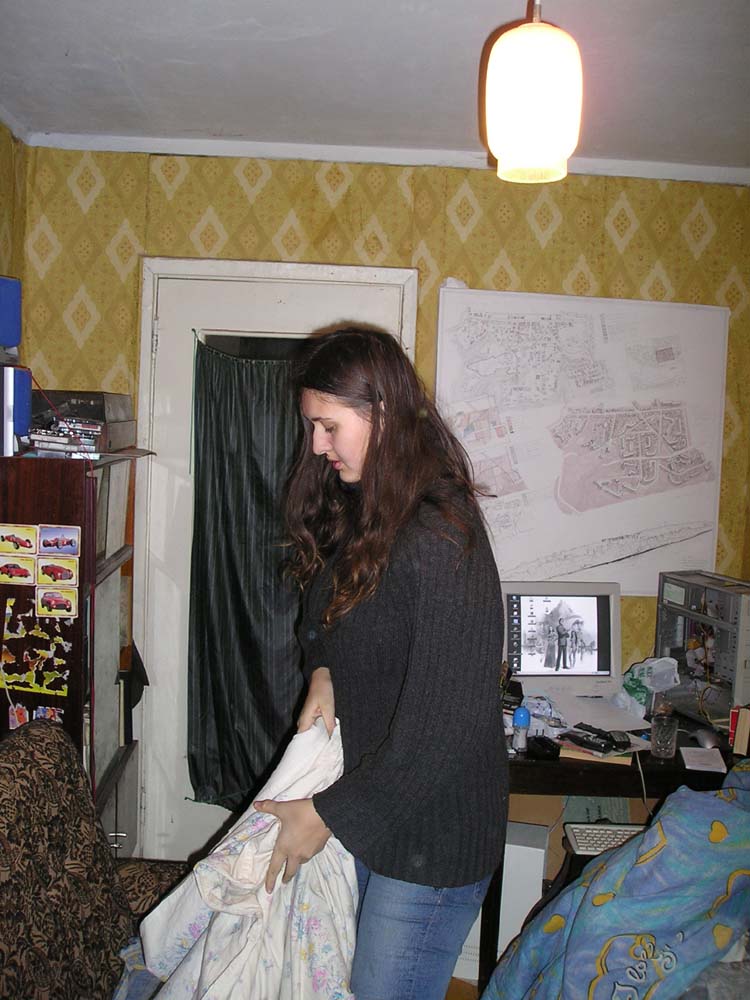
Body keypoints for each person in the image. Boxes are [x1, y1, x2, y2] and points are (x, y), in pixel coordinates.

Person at [254, 326, 508, 1000]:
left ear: (384, 413)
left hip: (434, 836)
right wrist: (324, 671)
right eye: (312, 427)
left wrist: (325, 815)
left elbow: (445, 727)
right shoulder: (375, 508)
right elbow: (321, 610)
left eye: (328, 426)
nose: (316, 445)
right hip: (380, 811)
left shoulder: (440, 533)